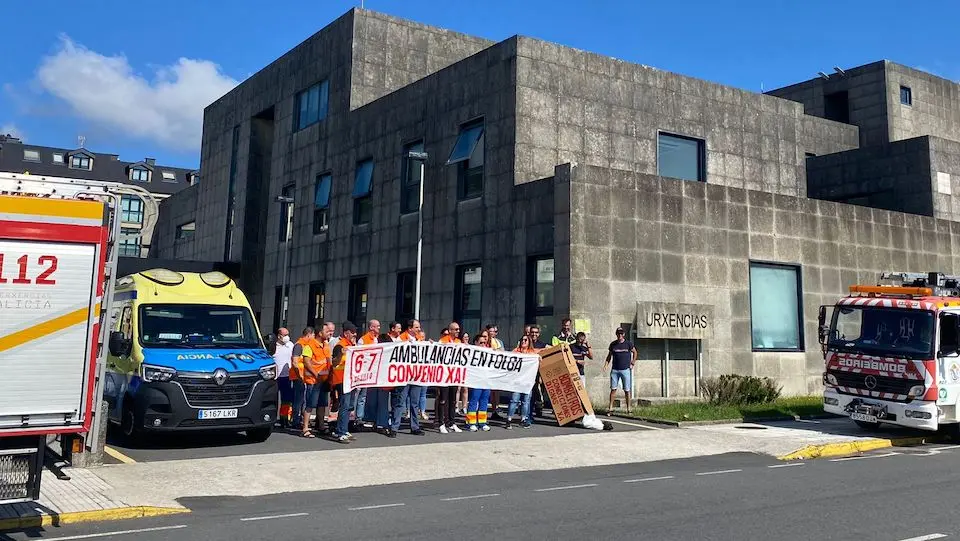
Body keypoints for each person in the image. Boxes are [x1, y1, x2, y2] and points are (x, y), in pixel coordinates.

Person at [358, 319, 391, 435]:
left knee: (382, 399)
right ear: (371, 327)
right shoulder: (363, 340)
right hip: (370, 374)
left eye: (379, 326)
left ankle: (381, 422)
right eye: (377, 326)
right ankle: (369, 419)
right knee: (370, 398)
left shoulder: (382, 338)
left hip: (381, 374)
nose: (379, 328)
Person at [331, 321, 358, 443]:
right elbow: (334, 363)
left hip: (351, 380)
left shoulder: (351, 345)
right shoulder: (340, 346)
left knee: (349, 406)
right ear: (346, 333)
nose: (355, 334)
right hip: (341, 380)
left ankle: (343, 429)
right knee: (345, 405)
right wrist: (340, 355)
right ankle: (340, 432)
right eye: (352, 332)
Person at [293, 327, 320, 438]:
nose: (314, 338)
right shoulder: (300, 345)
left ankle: (299, 420)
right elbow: (295, 362)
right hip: (298, 376)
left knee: (302, 399)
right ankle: (296, 420)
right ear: (309, 334)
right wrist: (299, 375)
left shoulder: (305, 345)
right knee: (299, 399)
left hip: (302, 376)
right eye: (313, 335)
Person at [400, 319, 429, 421]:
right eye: (417, 327)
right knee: (401, 400)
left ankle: (415, 426)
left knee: (415, 402)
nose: (419, 329)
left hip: (417, 374)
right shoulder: (401, 338)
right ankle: (395, 426)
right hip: (405, 374)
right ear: (410, 328)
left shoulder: (418, 339)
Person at [437, 322, 463, 434]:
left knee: (453, 400)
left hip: (454, 375)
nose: (458, 331)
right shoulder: (443, 341)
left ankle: (451, 422)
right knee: (443, 400)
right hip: (444, 375)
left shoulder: (458, 342)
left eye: (458, 329)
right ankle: (441, 423)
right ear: (450, 330)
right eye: (456, 329)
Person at [604, 327, 637, 414]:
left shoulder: (628, 344)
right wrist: (606, 364)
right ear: (616, 334)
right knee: (613, 389)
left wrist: (633, 362)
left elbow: (635, 352)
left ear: (624, 334)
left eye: (621, 333)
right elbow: (609, 355)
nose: (620, 335)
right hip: (615, 370)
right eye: (618, 333)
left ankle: (629, 408)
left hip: (625, 370)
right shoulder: (613, 344)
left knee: (627, 389)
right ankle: (610, 408)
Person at [466, 331, 493, 432]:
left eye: (484, 343)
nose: (483, 345)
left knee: (484, 401)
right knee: (474, 400)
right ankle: (471, 423)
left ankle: (482, 422)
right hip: (476, 380)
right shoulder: (471, 352)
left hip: (486, 380)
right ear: (476, 343)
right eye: (481, 343)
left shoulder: (488, 352)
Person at [507, 335, 535, 429]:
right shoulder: (516, 351)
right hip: (517, 381)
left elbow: (540, 352)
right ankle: (509, 419)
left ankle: (523, 419)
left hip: (527, 381)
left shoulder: (532, 353)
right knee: (514, 400)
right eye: (522, 339)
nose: (523, 341)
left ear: (529, 342)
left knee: (526, 401)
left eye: (525, 340)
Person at [272, 327, 294, 428]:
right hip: (275, 377)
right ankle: (271, 418)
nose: (286, 337)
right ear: (279, 336)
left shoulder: (290, 345)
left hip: (287, 376)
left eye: (287, 334)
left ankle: (284, 419)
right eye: (284, 335)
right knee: (273, 399)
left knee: (286, 399)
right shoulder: (273, 347)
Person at [486, 324, 505, 420]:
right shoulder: (484, 341)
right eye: (491, 331)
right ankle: (482, 411)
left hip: (496, 369)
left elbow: (503, 353)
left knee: (496, 391)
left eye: (495, 331)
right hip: (487, 369)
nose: (493, 333)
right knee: (486, 391)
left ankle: (495, 410)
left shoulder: (499, 342)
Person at [528, 325, 548, 417]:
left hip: (538, 373)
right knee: (529, 393)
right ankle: (528, 412)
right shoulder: (525, 343)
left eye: (536, 332)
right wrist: (538, 351)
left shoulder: (541, 344)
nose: (534, 334)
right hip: (527, 373)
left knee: (538, 392)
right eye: (532, 332)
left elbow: (551, 348)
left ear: (539, 334)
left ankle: (538, 409)